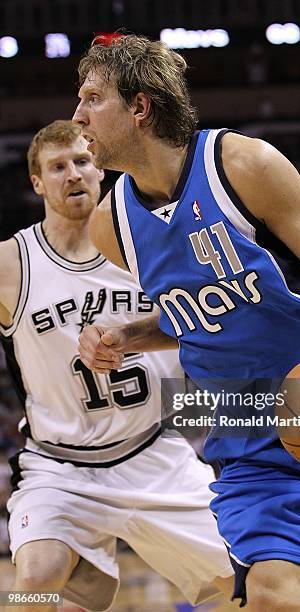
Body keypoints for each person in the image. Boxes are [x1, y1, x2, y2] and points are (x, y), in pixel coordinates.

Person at [73, 35, 300, 611]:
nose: (78, 115)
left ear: (140, 106)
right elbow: (194, 318)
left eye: (91, 97)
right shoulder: (112, 225)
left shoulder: (242, 165)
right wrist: (127, 336)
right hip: (243, 426)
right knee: (276, 598)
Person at [0, 120, 236, 612]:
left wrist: (132, 338)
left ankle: (91, 577)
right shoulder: (12, 263)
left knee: (249, 587)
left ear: (100, 169)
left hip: (154, 455)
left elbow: (203, 320)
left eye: (82, 161)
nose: (73, 174)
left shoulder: (147, 245)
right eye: (57, 167)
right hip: (60, 468)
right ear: (38, 182)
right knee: (31, 589)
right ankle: (81, 569)